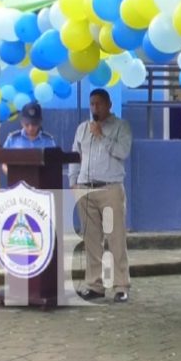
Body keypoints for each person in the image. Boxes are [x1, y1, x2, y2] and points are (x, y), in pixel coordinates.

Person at [69, 88, 132, 303]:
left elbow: (123, 152)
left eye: (99, 104)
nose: (95, 108)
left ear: (109, 105)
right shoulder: (82, 129)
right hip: (86, 189)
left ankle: (121, 285)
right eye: (92, 104)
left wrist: (102, 136)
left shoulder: (120, 127)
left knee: (116, 238)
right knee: (91, 239)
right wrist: (73, 181)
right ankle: (94, 284)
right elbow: (75, 155)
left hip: (110, 189)